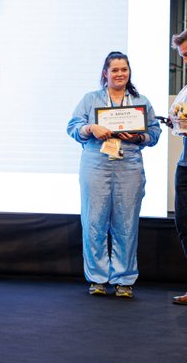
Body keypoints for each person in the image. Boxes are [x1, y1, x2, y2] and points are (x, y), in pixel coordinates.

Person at [66, 51, 161, 299]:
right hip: (96, 162)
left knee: (126, 223)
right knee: (94, 221)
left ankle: (123, 279)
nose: (120, 74)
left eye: (124, 69)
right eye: (115, 70)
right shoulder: (90, 99)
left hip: (129, 163)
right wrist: (90, 128)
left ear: (129, 72)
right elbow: (72, 127)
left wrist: (139, 137)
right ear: (105, 73)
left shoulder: (140, 101)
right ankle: (97, 278)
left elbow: (154, 133)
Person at [170, 30, 187, 305]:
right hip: (185, 164)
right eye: (183, 56)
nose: (186, 60)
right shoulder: (185, 89)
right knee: (183, 224)